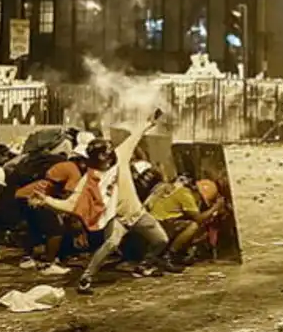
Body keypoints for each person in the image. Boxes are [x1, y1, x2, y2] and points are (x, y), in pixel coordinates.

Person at [34, 119, 178, 294]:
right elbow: (71, 203)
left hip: (137, 213)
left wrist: (149, 122)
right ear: (97, 157)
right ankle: (86, 278)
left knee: (161, 240)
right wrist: (47, 200)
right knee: (110, 244)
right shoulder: (89, 180)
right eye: (105, 152)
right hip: (117, 218)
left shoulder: (121, 157)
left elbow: (134, 138)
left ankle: (144, 266)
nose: (109, 154)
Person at [15, 143, 88, 276]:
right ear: (81, 160)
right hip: (35, 198)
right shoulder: (74, 171)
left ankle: (28, 258)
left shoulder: (65, 165)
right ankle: (49, 263)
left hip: (24, 195)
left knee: (35, 229)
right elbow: (68, 197)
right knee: (56, 230)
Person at [147, 177, 226, 267]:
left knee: (195, 229)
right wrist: (215, 207)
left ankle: (179, 255)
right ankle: (169, 256)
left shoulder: (179, 191)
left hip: (157, 223)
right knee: (193, 226)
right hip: (161, 223)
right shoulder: (185, 193)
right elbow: (198, 218)